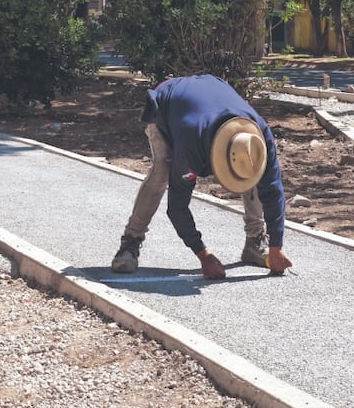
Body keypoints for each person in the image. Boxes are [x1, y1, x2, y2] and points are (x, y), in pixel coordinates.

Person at [110, 74, 293, 279]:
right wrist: (203, 254)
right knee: (162, 170)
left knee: (249, 167)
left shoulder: (259, 136)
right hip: (168, 102)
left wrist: (277, 246)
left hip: (211, 92)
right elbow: (177, 207)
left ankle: (255, 240)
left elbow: (274, 191)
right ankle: (130, 242)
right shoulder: (191, 143)